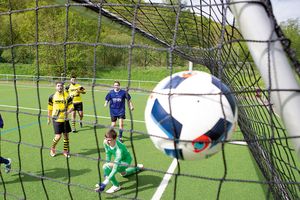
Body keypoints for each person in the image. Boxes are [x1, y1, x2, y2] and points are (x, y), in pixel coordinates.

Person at [95, 129, 143, 194]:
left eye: (109, 140)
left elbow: (115, 168)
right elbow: (108, 153)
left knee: (105, 167)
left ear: (115, 139)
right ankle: (137, 167)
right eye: (106, 139)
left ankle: (116, 186)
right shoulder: (105, 142)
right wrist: (106, 172)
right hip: (119, 161)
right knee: (124, 174)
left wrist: (105, 182)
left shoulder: (119, 150)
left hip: (126, 161)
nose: (107, 141)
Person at [48, 82, 74, 158]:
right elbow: (50, 108)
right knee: (58, 136)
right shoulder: (52, 97)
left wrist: (68, 112)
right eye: (58, 86)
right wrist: (48, 118)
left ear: (63, 87)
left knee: (66, 136)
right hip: (56, 119)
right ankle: (52, 148)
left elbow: (72, 107)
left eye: (61, 86)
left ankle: (65, 151)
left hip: (65, 119)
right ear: (56, 87)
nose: (60, 87)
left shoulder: (67, 96)